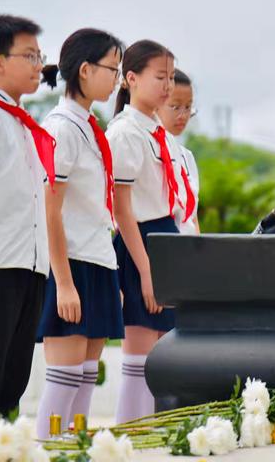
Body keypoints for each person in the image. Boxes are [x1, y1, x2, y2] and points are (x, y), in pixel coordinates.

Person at [35, 28, 124, 437]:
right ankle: (50, 450)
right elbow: (50, 210)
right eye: (112, 69)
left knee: (87, 376)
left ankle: (76, 449)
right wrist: (65, 283)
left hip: (97, 258)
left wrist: (111, 272)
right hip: (70, 264)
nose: (117, 79)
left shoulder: (89, 125)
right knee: (65, 377)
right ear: (85, 70)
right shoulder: (61, 128)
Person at [0, 14, 54, 420]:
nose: (39, 65)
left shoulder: (21, 123)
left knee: (13, 377)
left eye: (40, 56)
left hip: (31, 264)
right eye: (30, 55)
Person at [107, 40, 194, 422]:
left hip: (167, 242)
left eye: (171, 77)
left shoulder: (161, 135)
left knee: (165, 360)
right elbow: (122, 210)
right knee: (139, 359)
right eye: (160, 77)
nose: (168, 86)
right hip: (141, 242)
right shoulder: (125, 133)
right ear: (130, 78)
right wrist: (144, 270)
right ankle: (130, 441)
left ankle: (156, 439)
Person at [157, 69, 200, 234]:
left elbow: (193, 218)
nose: (183, 115)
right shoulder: (148, 149)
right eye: (175, 107)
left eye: (188, 107)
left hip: (188, 250)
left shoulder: (187, 157)